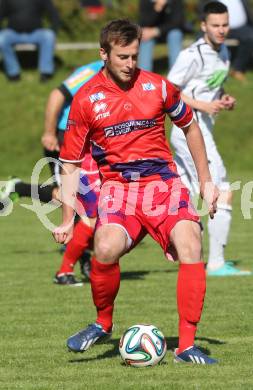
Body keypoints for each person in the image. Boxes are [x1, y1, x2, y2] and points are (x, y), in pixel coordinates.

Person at [53, 19, 220, 364]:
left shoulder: (158, 87)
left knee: (191, 242)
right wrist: (68, 218)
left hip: (163, 185)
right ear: (104, 54)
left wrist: (206, 180)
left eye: (135, 56)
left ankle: (186, 346)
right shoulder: (85, 100)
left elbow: (190, 127)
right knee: (104, 247)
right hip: (118, 188)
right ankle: (103, 322)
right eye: (123, 57)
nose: (131, 64)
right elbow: (69, 163)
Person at [0, 60, 103, 284]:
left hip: (92, 141)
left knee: (75, 198)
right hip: (66, 138)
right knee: (75, 200)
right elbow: (57, 95)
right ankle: (79, 263)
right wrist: (49, 132)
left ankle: (20, 188)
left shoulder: (123, 77)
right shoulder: (90, 71)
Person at [168, 2, 251, 276]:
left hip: (202, 129)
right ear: (203, 26)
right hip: (190, 130)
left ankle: (180, 247)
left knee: (186, 193)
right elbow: (169, 92)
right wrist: (201, 106)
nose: (221, 30)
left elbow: (210, 85)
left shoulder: (224, 50)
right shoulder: (192, 55)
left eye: (225, 24)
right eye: (215, 25)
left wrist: (222, 98)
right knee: (222, 189)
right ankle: (215, 263)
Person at [0, 0, 60, 81]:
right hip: (13, 33)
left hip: (36, 33)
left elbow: (53, 13)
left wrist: (54, 29)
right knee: (2, 38)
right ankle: (13, 73)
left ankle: (46, 73)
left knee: (49, 36)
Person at [199, 0, 253, 82]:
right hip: (217, 29)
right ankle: (206, 70)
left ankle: (237, 69)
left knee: (250, 36)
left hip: (241, 29)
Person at [138, 0, 185, 72]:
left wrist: (157, 31)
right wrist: (157, 8)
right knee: (145, 36)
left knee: (175, 34)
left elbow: (177, 23)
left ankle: (176, 76)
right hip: (151, 34)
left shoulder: (176, 2)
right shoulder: (145, 1)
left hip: (169, 32)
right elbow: (144, 23)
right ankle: (144, 76)